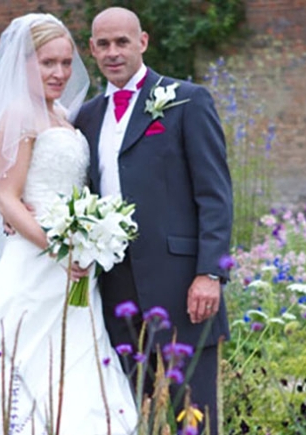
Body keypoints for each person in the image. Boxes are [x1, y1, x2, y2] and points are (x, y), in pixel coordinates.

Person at [0, 13, 137, 435]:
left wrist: (87, 240)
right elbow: (6, 197)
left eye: (64, 63)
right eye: (47, 63)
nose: (59, 73)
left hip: (75, 268)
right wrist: (61, 249)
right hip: (37, 262)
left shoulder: (63, 115)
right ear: (25, 63)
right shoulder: (19, 114)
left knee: (76, 363)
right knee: (17, 364)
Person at [73, 7, 233, 434]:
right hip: (114, 288)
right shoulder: (86, 116)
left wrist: (209, 273)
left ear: (142, 42)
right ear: (91, 49)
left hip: (182, 282)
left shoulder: (187, 100)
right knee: (131, 409)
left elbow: (214, 195)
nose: (112, 52)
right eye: (103, 44)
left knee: (195, 412)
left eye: (122, 42)